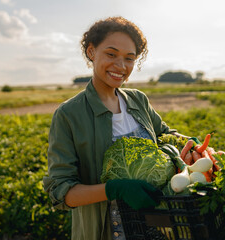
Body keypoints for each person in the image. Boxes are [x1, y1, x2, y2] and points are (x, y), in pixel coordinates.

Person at [43, 16, 192, 240]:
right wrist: (114, 189)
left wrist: (193, 146)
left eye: (129, 58)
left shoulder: (138, 100)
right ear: (92, 52)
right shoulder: (69, 115)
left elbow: (166, 135)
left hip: (155, 227)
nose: (121, 66)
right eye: (111, 54)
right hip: (105, 232)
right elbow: (60, 192)